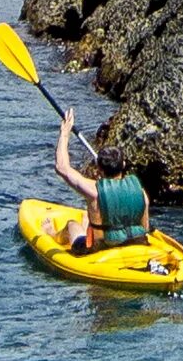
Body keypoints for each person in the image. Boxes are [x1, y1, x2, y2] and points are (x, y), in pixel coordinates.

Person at [50, 105, 150, 254]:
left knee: (72, 225)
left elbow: (62, 168)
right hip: (134, 247)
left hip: (100, 251)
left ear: (99, 169)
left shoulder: (94, 192)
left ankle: (51, 234)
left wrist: (64, 133)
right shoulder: (141, 193)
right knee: (86, 215)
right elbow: (145, 229)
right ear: (123, 164)